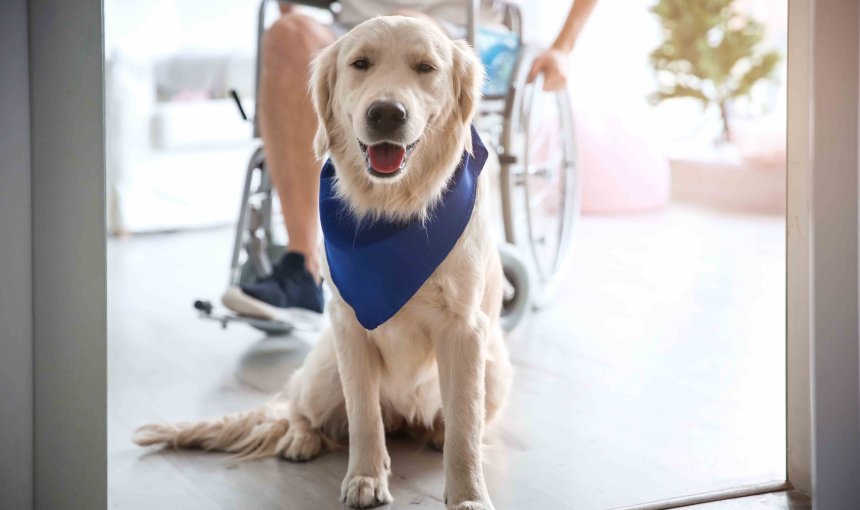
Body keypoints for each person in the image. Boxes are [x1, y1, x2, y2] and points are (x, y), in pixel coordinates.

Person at [234, 0, 599, 315]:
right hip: (353, 30)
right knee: (289, 33)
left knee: (407, 27)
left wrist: (563, 47)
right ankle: (303, 266)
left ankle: (418, 268)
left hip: (467, 32)